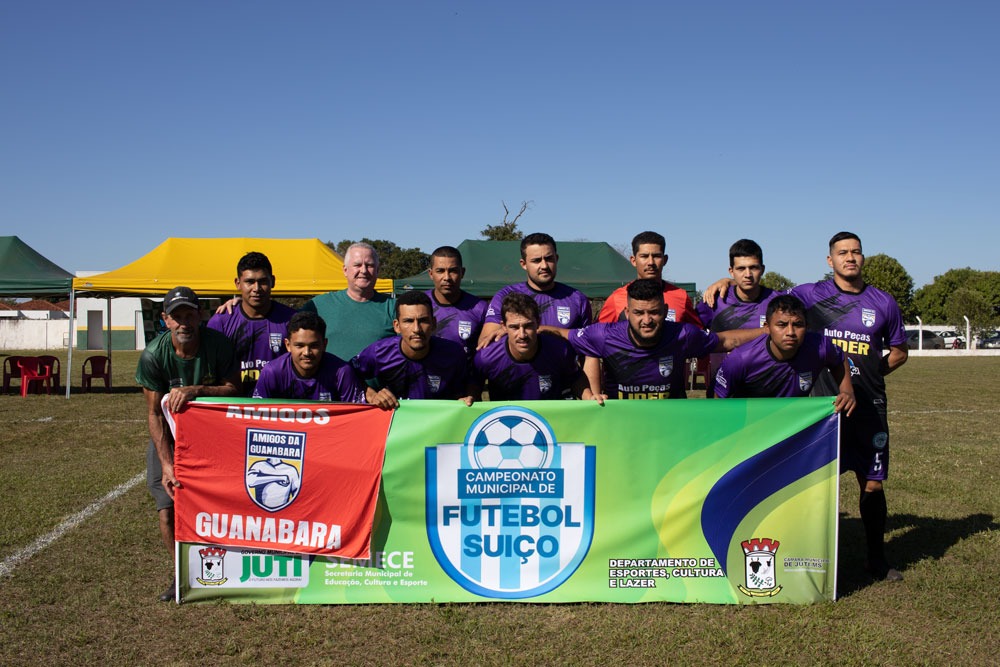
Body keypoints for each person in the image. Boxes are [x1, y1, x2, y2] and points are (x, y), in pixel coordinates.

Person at [703, 232, 908, 581]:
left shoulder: (883, 302)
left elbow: (900, 352)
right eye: (842, 252)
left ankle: (876, 559)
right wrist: (727, 280)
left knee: (872, 483)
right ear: (830, 261)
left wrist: (870, 373)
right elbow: (763, 295)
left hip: (869, 404)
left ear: (863, 257)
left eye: (856, 251)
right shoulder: (808, 295)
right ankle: (803, 555)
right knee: (810, 483)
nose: (850, 258)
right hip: (823, 409)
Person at [135, 286, 240, 602]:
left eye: (190, 315)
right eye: (176, 316)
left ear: (201, 316)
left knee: (221, 503)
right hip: (169, 437)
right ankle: (181, 573)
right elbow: (154, 414)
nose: (184, 323)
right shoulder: (154, 355)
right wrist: (167, 464)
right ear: (165, 319)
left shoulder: (219, 345)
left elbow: (234, 389)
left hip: (213, 439)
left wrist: (196, 390)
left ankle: (227, 565)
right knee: (166, 508)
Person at [544, 279, 758, 399]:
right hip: (621, 426)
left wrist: (767, 332)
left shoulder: (682, 335)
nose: (647, 320)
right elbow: (562, 333)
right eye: (639, 313)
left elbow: (726, 341)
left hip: (669, 426)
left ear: (665, 310)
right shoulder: (604, 335)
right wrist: (528, 330)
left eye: (654, 312)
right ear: (627, 313)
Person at [713, 294, 856, 417]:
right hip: (749, 427)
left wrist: (847, 391)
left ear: (807, 326)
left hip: (791, 427)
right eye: (781, 325)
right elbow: (718, 404)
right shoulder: (740, 359)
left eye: (798, 325)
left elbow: (839, 359)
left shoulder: (820, 346)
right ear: (767, 327)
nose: (790, 332)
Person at [472, 293, 604, 402]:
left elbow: (575, 377)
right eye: (514, 327)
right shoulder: (486, 357)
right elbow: (473, 391)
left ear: (538, 323)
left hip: (551, 425)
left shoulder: (560, 350)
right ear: (504, 326)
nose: (522, 334)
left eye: (528, 326)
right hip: (507, 426)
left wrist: (589, 397)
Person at [352, 290, 474, 409]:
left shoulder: (453, 354)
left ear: (434, 323)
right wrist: (372, 395)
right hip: (396, 425)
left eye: (423, 321)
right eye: (408, 321)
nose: (416, 329)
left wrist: (464, 401)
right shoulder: (379, 352)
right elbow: (348, 374)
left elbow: (465, 390)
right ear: (397, 326)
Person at [477, 233, 593, 346]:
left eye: (549, 259)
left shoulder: (577, 299)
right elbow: (485, 344)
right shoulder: (505, 296)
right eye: (536, 260)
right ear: (523, 264)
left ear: (556, 259)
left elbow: (589, 348)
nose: (544, 266)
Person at [695, 239, 777, 396]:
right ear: (731, 271)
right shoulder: (714, 301)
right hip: (722, 393)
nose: (747, 274)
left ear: (762, 269)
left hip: (764, 394)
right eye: (741, 268)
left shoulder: (776, 302)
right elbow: (691, 335)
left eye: (753, 267)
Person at [207, 251, 296, 396]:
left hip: (277, 409)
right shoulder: (221, 321)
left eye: (262, 281)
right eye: (249, 282)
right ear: (238, 283)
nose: (256, 288)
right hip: (234, 410)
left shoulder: (291, 319)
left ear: (272, 281)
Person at [300, 242, 396, 361]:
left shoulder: (394, 307)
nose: (364, 270)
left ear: (377, 270)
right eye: (357, 265)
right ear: (345, 270)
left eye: (369, 265)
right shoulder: (318, 306)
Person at [252, 311, 368, 403]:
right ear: (288, 345)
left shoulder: (342, 372)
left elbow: (355, 417)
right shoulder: (272, 372)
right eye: (299, 345)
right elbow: (258, 416)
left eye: (314, 346)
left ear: (324, 344)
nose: (307, 352)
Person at [598, 231, 701, 326]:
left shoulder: (681, 297)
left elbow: (698, 337)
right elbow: (598, 336)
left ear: (664, 260)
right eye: (644, 256)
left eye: (656, 256)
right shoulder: (616, 298)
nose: (651, 262)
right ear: (633, 260)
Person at [425, 245, 486, 359]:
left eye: (453, 271)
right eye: (440, 271)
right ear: (431, 273)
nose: (447, 277)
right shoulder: (419, 304)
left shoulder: (480, 308)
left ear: (462, 272)